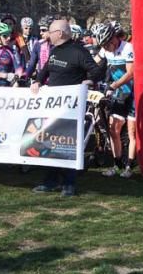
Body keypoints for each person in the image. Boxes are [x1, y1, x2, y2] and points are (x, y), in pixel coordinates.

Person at [31, 18, 104, 196]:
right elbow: (46, 69)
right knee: (48, 142)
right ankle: (50, 181)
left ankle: (69, 184)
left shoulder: (78, 52)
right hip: (52, 105)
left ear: (61, 33)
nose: (48, 35)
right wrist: (38, 81)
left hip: (70, 107)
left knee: (67, 144)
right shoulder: (55, 50)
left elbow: (96, 70)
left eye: (51, 32)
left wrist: (89, 81)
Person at [93, 22, 138, 178]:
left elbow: (131, 73)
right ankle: (116, 164)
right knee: (113, 130)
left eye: (106, 45)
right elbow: (93, 63)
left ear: (113, 39)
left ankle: (129, 166)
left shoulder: (127, 48)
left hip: (132, 94)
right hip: (118, 94)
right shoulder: (105, 50)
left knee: (132, 133)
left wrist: (113, 85)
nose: (104, 49)